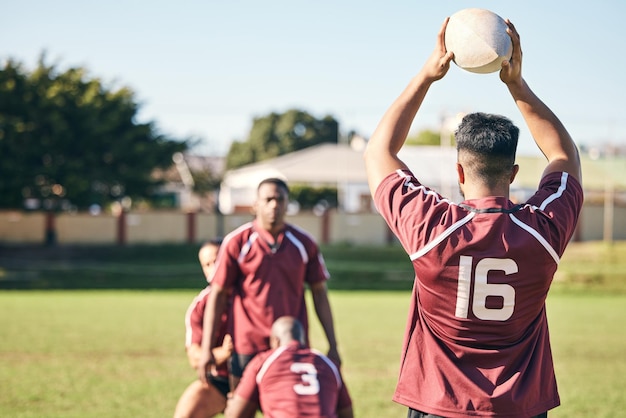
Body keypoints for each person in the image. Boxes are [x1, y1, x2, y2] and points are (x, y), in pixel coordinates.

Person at [363, 17, 583, 418]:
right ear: (513, 173)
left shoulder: (431, 227)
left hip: (439, 406)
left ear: (459, 173)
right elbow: (564, 156)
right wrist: (517, 83)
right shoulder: (544, 232)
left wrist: (427, 76)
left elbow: (378, 151)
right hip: (520, 409)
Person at [199, 177, 341, 391]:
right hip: (247, 344)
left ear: (287, 204)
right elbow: (218, 294)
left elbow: (319, 293)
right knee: (239, 410)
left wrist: (333, 344)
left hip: (290, 344)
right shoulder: (237, 242)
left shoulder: (304, 243)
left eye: (280, 199)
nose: (274, 204)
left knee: (287, 410)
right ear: (256, 204)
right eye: (268, 199)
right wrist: (207, 348)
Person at [224, 316, 353, 418]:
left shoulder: (264, 361)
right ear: (302, 338)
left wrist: (232, 400)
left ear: (275, 340)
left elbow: (235, 415)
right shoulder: (327, 364)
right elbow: (347, 413)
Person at [174, 239, 233, 418]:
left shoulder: (251, 296)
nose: (213, 268)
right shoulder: (200, 306)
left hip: (257, 378)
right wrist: (225, 352)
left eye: (217, 260)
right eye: (207, 264)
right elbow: (195, 358)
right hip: (219, 381)